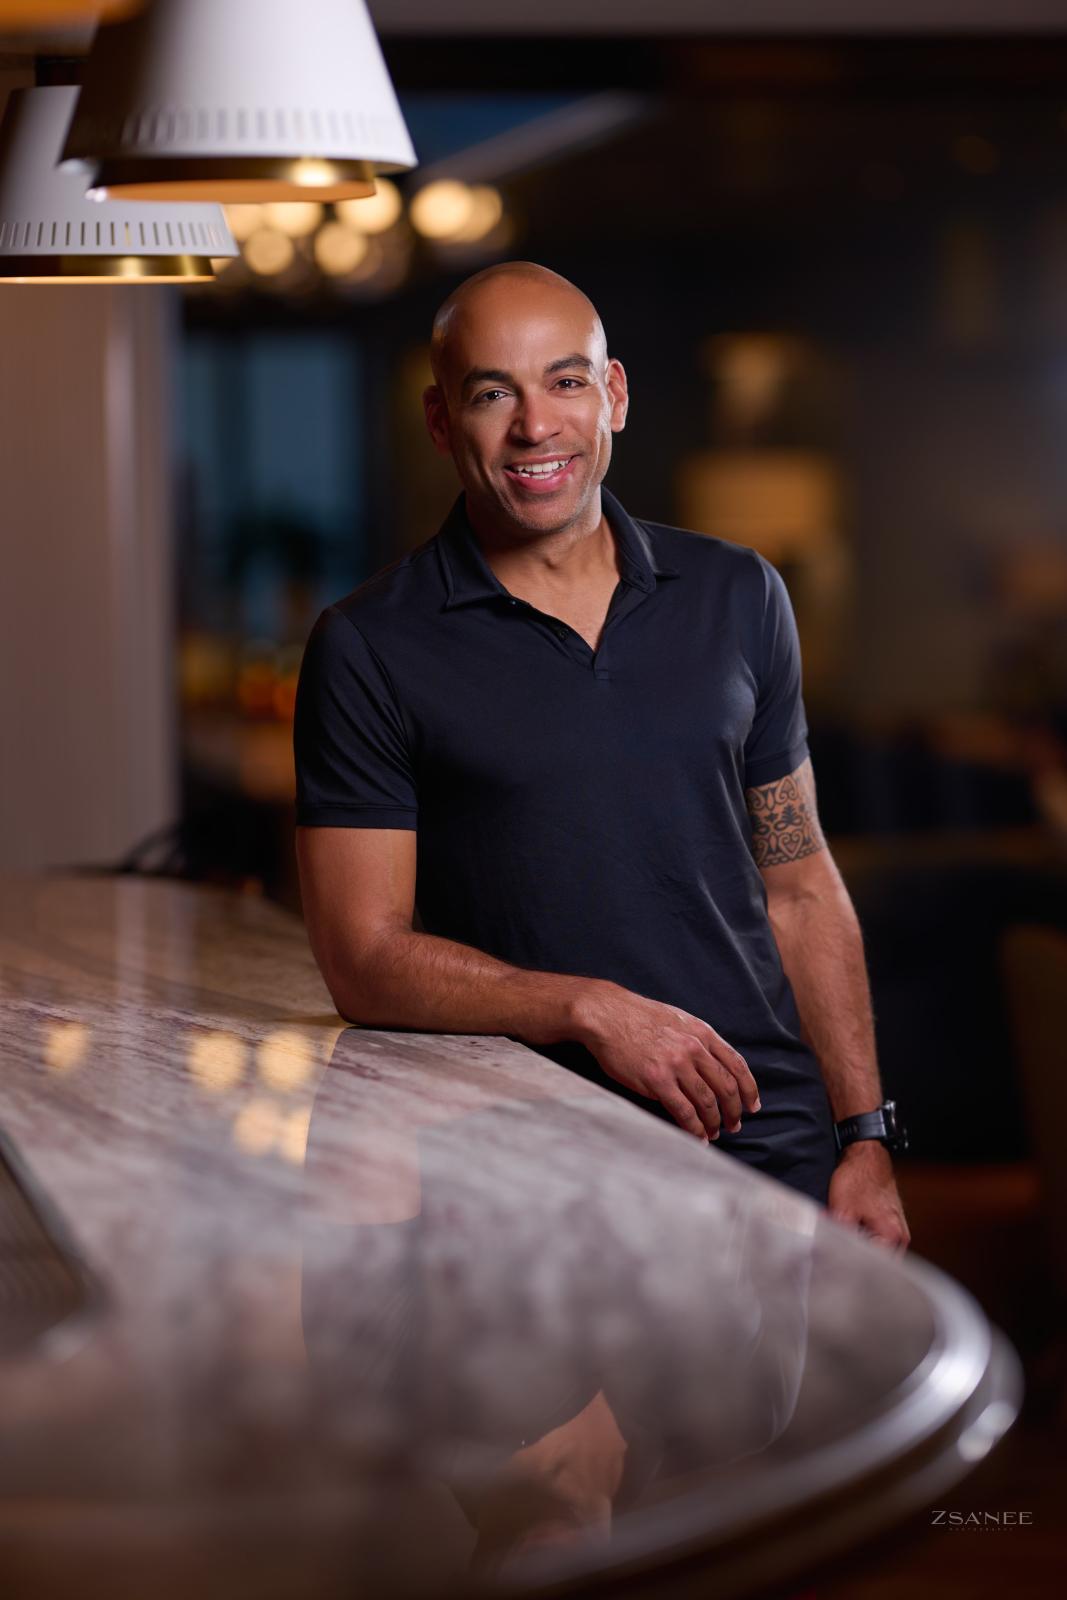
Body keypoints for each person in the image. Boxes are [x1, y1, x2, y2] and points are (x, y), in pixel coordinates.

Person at [293, 260, 909, 1247]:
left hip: (762, 1139)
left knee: (774, 1410)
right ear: (441, 420)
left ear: (612, 393)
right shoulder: (370, 645)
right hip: (518, 1152)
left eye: (565, 380)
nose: (535, 426)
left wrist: (864, 1137)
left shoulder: (737, 594)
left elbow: (798, 886)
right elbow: (362, 960)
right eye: (493, 392)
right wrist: (587, 1008)